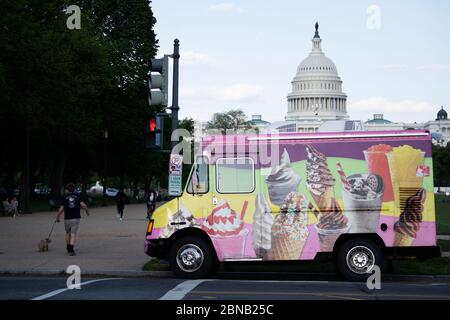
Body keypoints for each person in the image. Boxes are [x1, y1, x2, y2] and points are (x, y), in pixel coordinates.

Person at [56, 183, 89, 256]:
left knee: (68, 233)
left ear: (67, 190)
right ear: (74, 189)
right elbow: (83, 205)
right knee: (73, 234)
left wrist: (58, 216)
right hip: (75, 218)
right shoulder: (77, 196)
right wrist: (87, 210)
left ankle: (68, 247)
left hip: (67, 218)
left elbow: (61, 208)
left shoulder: (64, 197)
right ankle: (71, 249)